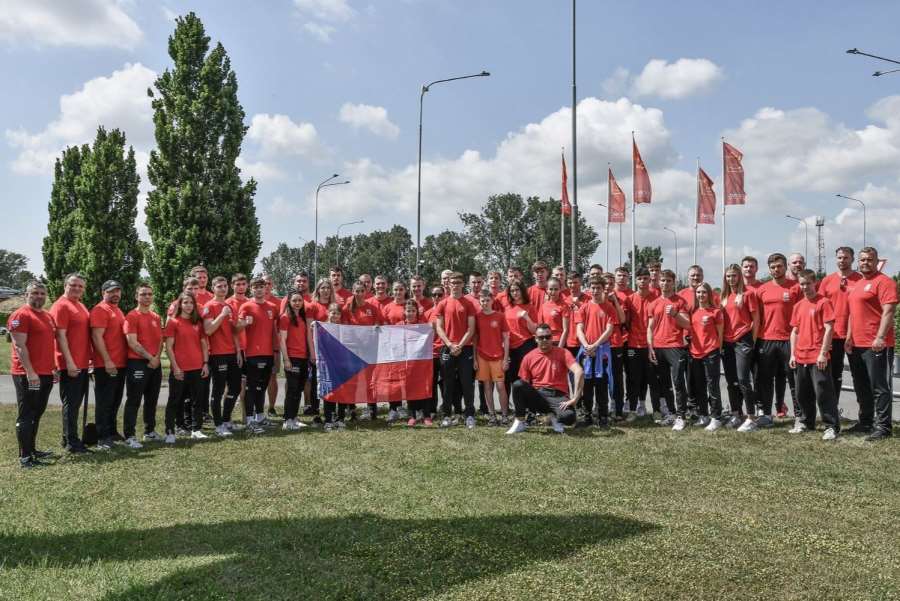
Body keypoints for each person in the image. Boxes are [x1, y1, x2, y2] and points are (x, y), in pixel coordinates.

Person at [846, 246, 898, 441]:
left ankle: (883, 426)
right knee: (861, 386)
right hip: (857, 344)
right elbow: (852, 314)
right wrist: (849, 338)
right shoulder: (858, 284)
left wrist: (880, 337)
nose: (865, 263)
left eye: (869, 259)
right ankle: (866, 421)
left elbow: (889, 312)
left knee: (879, 386)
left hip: (876, 344)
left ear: (877, 262)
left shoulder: (885, 282)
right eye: (862, 260)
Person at [8, 282, 56, 468]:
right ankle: (25, 457)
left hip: (45, 373)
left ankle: (33, 450)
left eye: (42, 293)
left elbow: (47, 345)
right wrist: (30, 371)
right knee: (27, 414)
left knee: (37, 413)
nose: (39, 296)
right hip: (27, 374)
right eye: (35, 293)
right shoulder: (20, 315)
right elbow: (19, 346)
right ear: (26, 294)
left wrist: (52, 368)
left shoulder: (47, 316)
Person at [752, 253, 802, 431]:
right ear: (769, 269)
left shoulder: (796, 288)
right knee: (765, 380)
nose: (776, 269)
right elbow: (756, 316)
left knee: (794, 380)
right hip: (766, 340)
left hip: (789, 340)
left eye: (779, 266)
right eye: (773, 267)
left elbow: (802, 313)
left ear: (785, 267)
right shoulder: (762, 289)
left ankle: (799, 417)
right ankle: (766, 415)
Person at [506, 324, 584, 434]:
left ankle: (554, 417)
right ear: (536, 339)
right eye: (541, 337)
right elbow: (525, 384)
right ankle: (520, 421)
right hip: (539, 396)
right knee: (518, 385)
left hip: (558, 396)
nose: (544, 340)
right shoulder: (529, 357)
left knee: (569, 418)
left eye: (547, 337)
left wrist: (575, 398)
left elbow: (579, 371)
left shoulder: (563, 353)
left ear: (552, 338)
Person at [789, 270, 839, 440]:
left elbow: (829, 328)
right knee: (802, 393)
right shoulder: (798, 305)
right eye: (801, 284)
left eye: (808, 283)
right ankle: (805, 422)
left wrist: (823, 353)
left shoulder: (824, 302)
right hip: (801, 356)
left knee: (823, 392)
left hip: (817, 357)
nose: (805, 287)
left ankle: (831, 426)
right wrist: (792, 355)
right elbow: (794, 332)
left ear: (814, 283)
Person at [49, 273, 91, 454]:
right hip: (70, 364)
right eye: (73, 285)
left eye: (81, 286)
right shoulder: (60, 306)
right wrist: (70, 362)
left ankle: (68, 438)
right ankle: (72, 442)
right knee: (71, 404)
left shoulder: (79, 305)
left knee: (75, 404)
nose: (77, 288)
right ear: (65, 285)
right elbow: (60, 337)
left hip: (81, 362)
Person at [818, 247, 863, 405]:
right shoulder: (827, 281)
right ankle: (833, 411)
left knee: (859, 375)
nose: (842, 260)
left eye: (846, 257)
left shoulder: (860, 280)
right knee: (833, 375)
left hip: (856, 336)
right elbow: (820, 307)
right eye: (839, 257)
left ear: (852, 259)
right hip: (833, 335)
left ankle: (865, 416)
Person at [647, 270, 692, 431]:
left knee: (679, 382)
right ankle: (671, 414)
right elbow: (650, 328)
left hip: (675, 346)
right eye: (663, 280)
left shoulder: (680, 301)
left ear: (674, 283)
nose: (665, 283)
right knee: (663, 384)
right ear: (659, 282)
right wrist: (650, 347)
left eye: (668, 281)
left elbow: (687, 324)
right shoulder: (653, 303)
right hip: (657, 347)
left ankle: (681, 416)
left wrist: (675, 315)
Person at [163, 292, 209, 442]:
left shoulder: (198, 323)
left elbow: (204, 345)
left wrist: (205, 364)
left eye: (191, 303)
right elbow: (168, 347)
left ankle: (196, 430)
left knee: (197, 401)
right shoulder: (173, 322)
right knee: (175, 401)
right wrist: (175, 367)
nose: (188, 306)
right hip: (180, 369)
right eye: (185, 302)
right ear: (180, 305)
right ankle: (170, 432)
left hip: (197, 367)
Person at [434, 272, 478, 428]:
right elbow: (439, 327)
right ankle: (446, 415)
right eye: (453, 282)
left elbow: (471, 328)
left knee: (467, 383)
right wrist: (450, 344)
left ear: (462, 284)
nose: (455, 284)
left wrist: (459, 345)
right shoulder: (443, 303)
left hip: (465, 348)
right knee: (447, 384)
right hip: (448, 348)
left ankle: (470, 415)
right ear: (449, 284)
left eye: (458, 282)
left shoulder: (469, 303)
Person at [123, 283, 163, 447]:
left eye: (149, 294)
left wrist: (157, 357)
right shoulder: (132, 316)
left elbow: (161, 340)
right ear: (136, 297)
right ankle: (130, 436)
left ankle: (150, 432)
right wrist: (149, 357)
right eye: (143, 294)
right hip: (138, 362)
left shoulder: (156, 316)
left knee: (152, 399)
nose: (147, 297)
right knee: (134, 400)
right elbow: (132, 342)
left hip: (155, 362)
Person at [720, 265, 760, 431]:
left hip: (743, 340)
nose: (731, 279)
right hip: (726, 342)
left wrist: (753, 340)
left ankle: (751, 417)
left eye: (734, 276)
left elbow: (756, 319)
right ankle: (736, 414)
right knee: (732, 381)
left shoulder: (748, 294)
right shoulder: (723, 296)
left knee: (743, 379)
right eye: (728, 276)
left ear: (739, 277)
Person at [574, 275, 618, 428]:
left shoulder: (609, 308)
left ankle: (603, 417)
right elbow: (579, 328)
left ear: (603, 289)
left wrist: (595, 345)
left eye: (598, 288)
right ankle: (587, 417)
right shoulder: (584, 307)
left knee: (601, 386)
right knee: (586, 386)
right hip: (586, 351)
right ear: (589, 289)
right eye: (593, 288)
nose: (595, 291)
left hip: (602, 352)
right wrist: (586, 345)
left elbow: (609, 329)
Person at [236, 277, 277, 433]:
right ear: (251, 289)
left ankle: (260, 417)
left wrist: (276, 350)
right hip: (252, 354)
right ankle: (250, 421)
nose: (259, 289)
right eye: (256, 287)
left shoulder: (272, 307)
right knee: (252, 388)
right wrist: (244, 323)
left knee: (262, 387)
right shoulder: (246, 306)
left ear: (265, 288)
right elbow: (237, 328)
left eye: (262, 286)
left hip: (268, 353)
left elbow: (274, 330)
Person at [202, 276, 242, 437]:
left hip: (232, 353)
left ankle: (226, 420)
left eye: (225, 286)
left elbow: (233, 332)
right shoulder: (209, 306)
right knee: (218, 391)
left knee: (235, 388)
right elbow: (208, 330)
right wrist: (222, 315)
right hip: (217, 354)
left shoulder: (228, 306)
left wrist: (238, 351)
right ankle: (218, 425)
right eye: (219, 286)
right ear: (213, 288)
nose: (223, 288)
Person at [90, 280, 128, 449]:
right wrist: (107, 360)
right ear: (103, 293)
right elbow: (97, 337)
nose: (115, 294)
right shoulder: (100, 310)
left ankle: (112, 431)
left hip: (120, 363)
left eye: (118, 291)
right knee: (104, 401)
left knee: (115, 400)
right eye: (111, 291)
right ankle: (102, 436)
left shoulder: (118, 310)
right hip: (106, 364)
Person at [625, 269, 662, 420]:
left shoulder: (657, 298)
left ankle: (657, 411)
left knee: (653, 379)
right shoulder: (630, 299)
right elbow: (626, 322)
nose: (643, 281)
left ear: (649, 280)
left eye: (645, 278)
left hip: (652, 345)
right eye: (640, 278)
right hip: (634, 345)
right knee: (634, 379)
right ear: (636, 281)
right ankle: (633, 410)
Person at [688, 283, 725, 431]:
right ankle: (703, 415)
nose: (701, 295)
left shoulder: (715, 312)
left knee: (713, 386)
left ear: (709, 294)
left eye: (704, 292)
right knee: (700, 386)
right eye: (698, 292)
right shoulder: (693, 311)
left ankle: (716, 417)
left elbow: (720, 334)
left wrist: (717, 351)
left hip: (711, 352)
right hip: (695, 353)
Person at [474, 289, 511, 426]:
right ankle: (492, 416)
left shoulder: (500, 316)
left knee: (501, 386)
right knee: (487, 386)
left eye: (487, 300)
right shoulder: (477, 316)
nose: (484, 303)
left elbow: (506, 338)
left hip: (498, 356)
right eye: (482, 300)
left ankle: (505, 415)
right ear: (479, 301)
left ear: (492, 300)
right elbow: (475, 339)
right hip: (482, 356)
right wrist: (474, 358)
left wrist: (506, 358)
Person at [279, 289, 314, 431]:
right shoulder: (285, 317)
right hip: (292, 358)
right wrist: (286, 360)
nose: (297, 303)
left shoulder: (302, 317)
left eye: (300, 300)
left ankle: (294, 418)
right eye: (294, 300)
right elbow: (282, 340)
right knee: (292, 390)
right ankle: (287, 420)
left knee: (299, 389)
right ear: (289, 302)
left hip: (303, 357)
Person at [502, 279, 539, 395]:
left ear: (522, 290)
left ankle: (532, 408)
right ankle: (519, 408)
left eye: (517, 290)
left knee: (527, 377)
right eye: (512, 291)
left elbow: (534, 330)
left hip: (526, 345)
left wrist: (527, 318)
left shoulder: (529, 307)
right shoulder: (507, 307)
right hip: (511, 347)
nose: (515, 293)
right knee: (513, 378)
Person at [402, 298, 433, 427]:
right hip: (406, 362)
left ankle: (426, 415)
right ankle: (412, 415)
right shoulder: (398, 326)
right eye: (408, 311)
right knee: (410, 388)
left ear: (417, 312)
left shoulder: (423, 326)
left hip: (421, 362)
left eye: (413, 311)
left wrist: (431, 328)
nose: (410, 313)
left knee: (424, 387)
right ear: (404, 312)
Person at [603, 273, 628, 420]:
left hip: (615, 344)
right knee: (601, 378)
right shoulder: (595, 301)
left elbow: (623, 319)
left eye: (611, 284)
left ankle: (618, 409)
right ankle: (602, 408)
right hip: (600, 344)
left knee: (617, 378)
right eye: (605, 284)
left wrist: (615, 302)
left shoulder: (619, 299)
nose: (608, 287)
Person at [424, 286, 446, 425]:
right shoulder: (427, 313)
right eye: (434, 294)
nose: (437, 297)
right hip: (430, 352)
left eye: (439, 294)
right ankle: (432, 410)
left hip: (445, 350)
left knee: (445, 383)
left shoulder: (447, 311)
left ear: (444, 295)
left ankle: (446, 409)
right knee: (431, 383)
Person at [538, 277, 570, 348]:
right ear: (547, 289)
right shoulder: (543, 306)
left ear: (560, 289)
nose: (553, 292)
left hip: (558, 342)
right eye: (551, 289)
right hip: (546, 341)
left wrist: (560, 348)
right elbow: (541, 326)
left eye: (556, 289)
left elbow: (566, 330)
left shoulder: (564, 306)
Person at [563, 272, 590, 357]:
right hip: (569, 342)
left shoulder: (589, 299)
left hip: (586, 341)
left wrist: (579, 305)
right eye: (570, 283)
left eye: (575, 282)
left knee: (585, 369)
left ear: (581, 282)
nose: (572, 285)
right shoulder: (564, 301)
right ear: (567, 283)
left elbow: (592, 316)